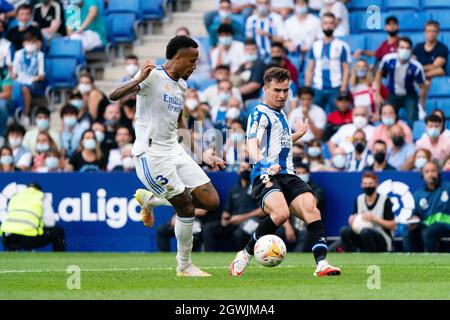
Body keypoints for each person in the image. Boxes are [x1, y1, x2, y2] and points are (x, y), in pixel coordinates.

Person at [109, 35, 225, 277]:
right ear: (179, 58)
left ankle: (149, 200)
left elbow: (181, 124)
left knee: (211, 201)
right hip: (150, 154)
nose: (195, 66)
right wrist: (137, 80)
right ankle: (184, 266)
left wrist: (203, 155)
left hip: (174, 150)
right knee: (185, 206)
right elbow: (113, 95)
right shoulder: (152, 76)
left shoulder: (182, 85)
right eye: (192, 61)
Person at [229, 67, 341, 277]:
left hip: (289, 174)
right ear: (265, 89)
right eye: (277, 90)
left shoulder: (281, 115)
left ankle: (322, 264)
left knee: (313, 211)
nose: (282, 95)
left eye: (286, 90)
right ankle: (244, 254)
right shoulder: (259, 113)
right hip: (266, 173)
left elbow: (280, 143)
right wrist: (262, 162)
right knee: (280, 214)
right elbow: (251, 143)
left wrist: (298, 134)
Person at [203, 162, 265, 251]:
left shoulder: (257, 187)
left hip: (253, 220)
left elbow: (263, 210)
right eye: (243, 168)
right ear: (238, 171)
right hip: (234, 221)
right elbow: (227, 210)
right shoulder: (234, 189)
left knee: (240, 233)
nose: (246, 170)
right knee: (208, 228)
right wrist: (224, 217)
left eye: (248, 168)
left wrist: (242, 217)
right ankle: (209, 257)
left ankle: (242, 257)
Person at [374, 37, 426, 127]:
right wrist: (377, 94)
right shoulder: (388, 59)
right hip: (392, 94)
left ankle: (410, 138)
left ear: (411, 50)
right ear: (397, 48)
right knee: (387, 118)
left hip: (410, 95)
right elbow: (379, 75)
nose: (404, 50)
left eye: (407, 48)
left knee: (412, 120)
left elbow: (422, 86)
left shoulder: (416, 66)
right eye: (402, 47)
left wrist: (421, 105)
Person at [305, 12, 351, 113]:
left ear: (335, 25)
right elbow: (310, 68)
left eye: (331, 23)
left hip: (335, 87)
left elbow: (346, 69)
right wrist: (307, 88)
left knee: (336, 115)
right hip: (318, 88)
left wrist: (343, 88)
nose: (328, 25)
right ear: (321, 25)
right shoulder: (315, 45)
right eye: (326, 23)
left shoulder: (342, 45)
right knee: (314, 114)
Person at [339, 172, 396, 252]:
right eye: (365, 183)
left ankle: (371, 257)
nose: (367, 186)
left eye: (370, 183)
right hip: (361, 234)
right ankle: (350, 256)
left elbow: (393, 225)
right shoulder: (359, 199)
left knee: (366, 231)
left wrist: (374, 219)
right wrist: (352, 220)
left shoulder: (385, 200)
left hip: (381, 237)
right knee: (344, 230)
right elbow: (355, 217)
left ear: (376, 185)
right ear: (361, 185)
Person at [1, 182, 65, 251]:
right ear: (39, 190)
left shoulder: (15, 196)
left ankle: (10, 252)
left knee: (11, 234)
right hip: (28, 237)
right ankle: (57, 260)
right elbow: (50, 223)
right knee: (59, 232)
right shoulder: (41, 197)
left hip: (8, 237)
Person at [403, 161, 450, 252]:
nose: (430, 174)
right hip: (426, 226)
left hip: (446, 225)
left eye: (433, 171)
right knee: (409, 233)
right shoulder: (418, 194)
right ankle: (412, 262)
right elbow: (415, 214)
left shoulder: (448, 187)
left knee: (428, 233)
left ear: (438, 173)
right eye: (427, 172)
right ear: (422, 175)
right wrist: (413, 220)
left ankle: (432, 261)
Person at [12, 32, 45, 118]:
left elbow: (41, 75)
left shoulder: (40, 55)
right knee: (15, 87)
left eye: (32, 42)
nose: (30, 44)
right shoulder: (18, 54)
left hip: (34, 82)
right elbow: (14, 72)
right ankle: (14, 113)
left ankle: (25, 114)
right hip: (19, 80)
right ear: (23, 43)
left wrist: (34, 78)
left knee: (24, 88)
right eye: (28, 42)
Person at [413, 21, 448, 89]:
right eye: (429, 31)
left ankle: (421, 77)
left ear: (438, 33)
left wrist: (420, 70)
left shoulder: (442, 48)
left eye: (434, 31)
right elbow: (412, 62)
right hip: (421, 74)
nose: (431, 34)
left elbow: (436, 66)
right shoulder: (418, 47)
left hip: (434, 76)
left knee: (440, 70)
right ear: (425, 32)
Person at [0, 65, 12, 136]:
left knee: (1, 105)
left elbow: (7, 93)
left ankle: (1, 135)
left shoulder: (4, 73)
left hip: (4, 100)